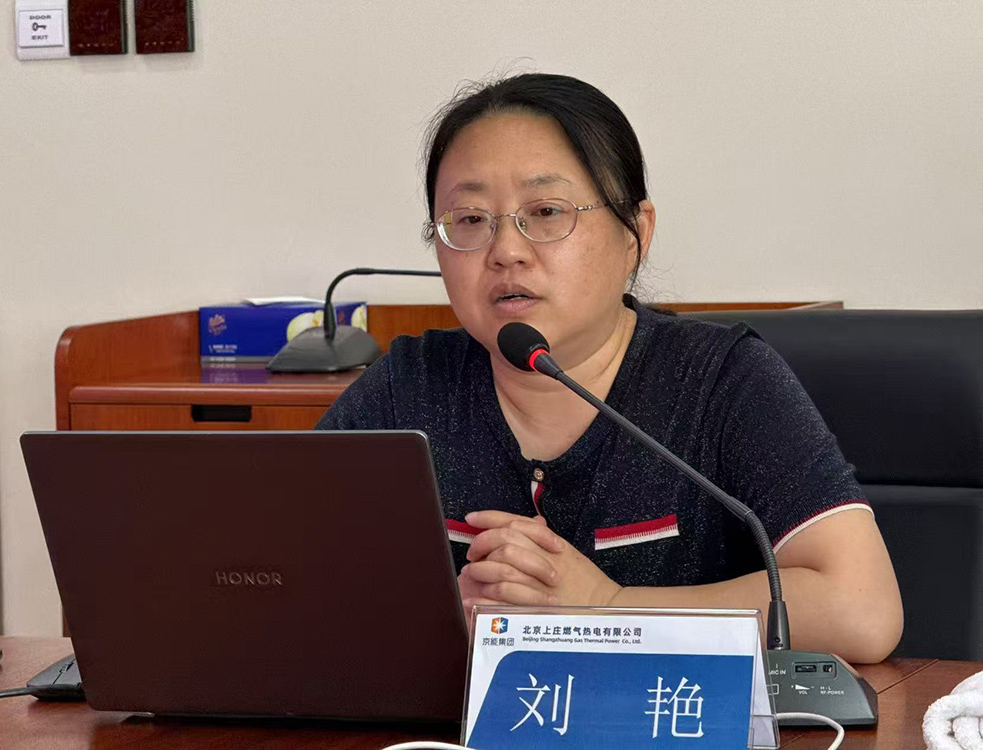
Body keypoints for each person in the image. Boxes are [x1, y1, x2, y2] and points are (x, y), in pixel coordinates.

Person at [317, 73, 903, 664]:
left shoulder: (719, 380)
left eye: (546, 211)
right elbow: (288, 584)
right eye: (469, 220)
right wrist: (442, 622)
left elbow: (862, 610)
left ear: (635, 235)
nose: (506, 251)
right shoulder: (409, 386)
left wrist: (609, 606)